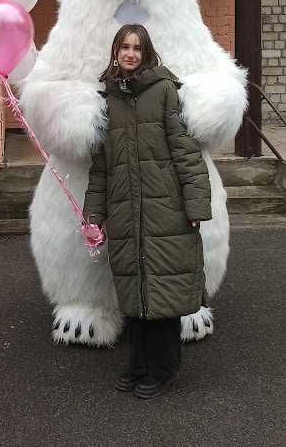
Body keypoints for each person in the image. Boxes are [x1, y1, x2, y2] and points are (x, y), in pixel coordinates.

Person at [83, 24, 212, 399]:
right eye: (125, 47)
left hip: (164, 209)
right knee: (135, 291)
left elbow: (186, 153)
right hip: (125, 212)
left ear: (147, 52)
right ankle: (139, 364)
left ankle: (164, 369)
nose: (130, 54)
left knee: (163, 291)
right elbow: (101, 167)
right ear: (116, 51)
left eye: (138, 48)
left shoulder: (164, 91)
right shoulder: (107, 98)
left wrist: (195, 204)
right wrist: (94, 214)